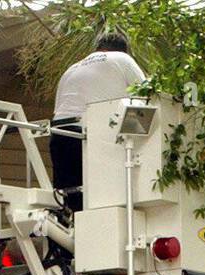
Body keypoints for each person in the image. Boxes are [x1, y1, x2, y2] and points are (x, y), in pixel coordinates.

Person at [51, 33, 146, 212]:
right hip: (89, 137)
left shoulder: (72, 69)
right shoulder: (122, 59)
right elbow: (148, 95)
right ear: (124, 49)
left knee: (72, 203)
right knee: (104, 201)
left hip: (61, 136)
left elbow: (58, 110)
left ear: (98, 48)